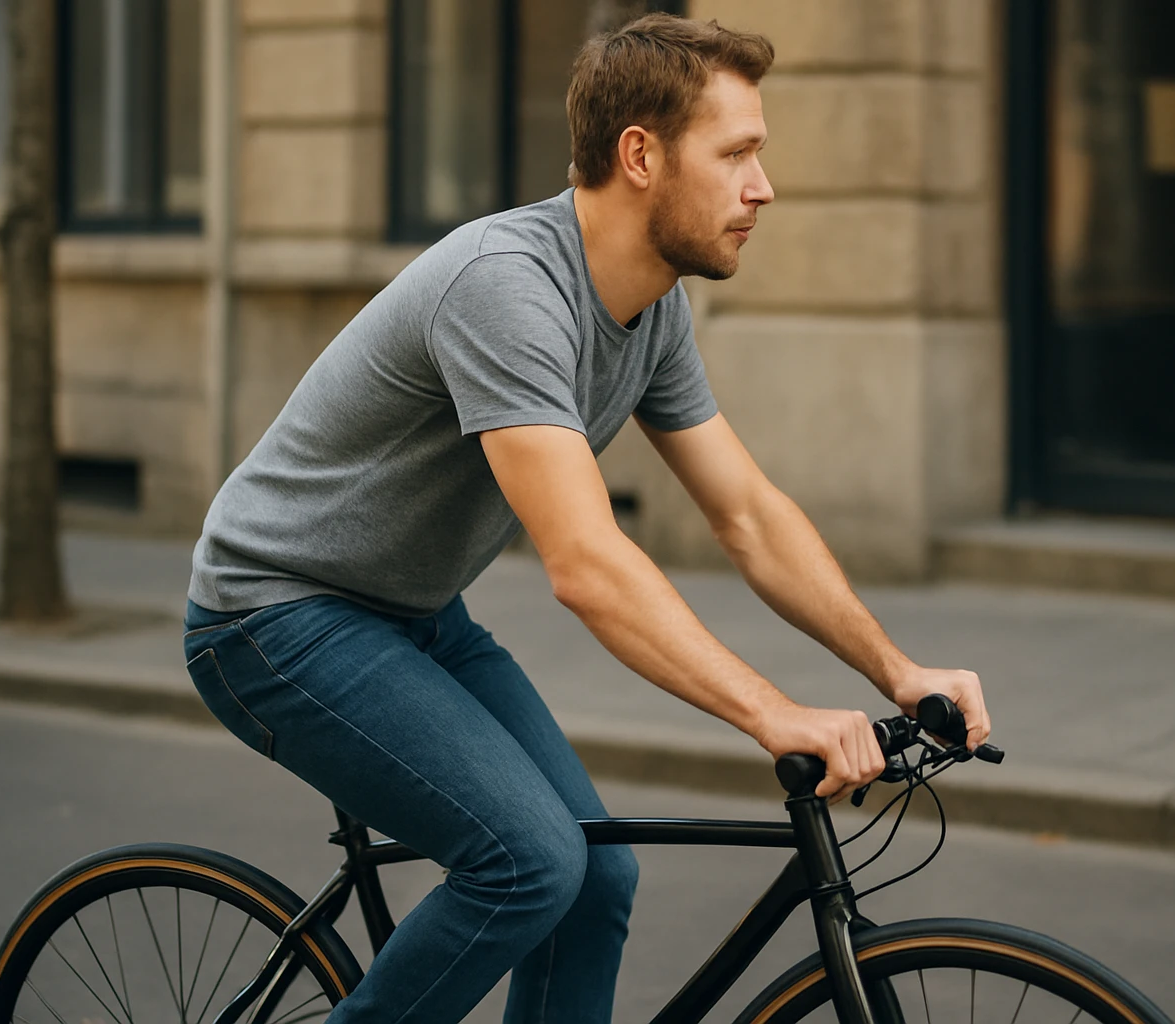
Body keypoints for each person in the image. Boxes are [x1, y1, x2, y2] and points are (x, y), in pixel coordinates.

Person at [181, 13, 990, 1024]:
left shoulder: (652, 309)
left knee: (593, 881)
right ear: (641, 155)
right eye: (737, 154)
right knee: (530, 862)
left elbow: (746, 514)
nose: (763, 186)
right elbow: (587, 563)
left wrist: (897, 671)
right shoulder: (506, 288)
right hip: (274, 616)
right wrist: (772, 714)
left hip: (414, 614)